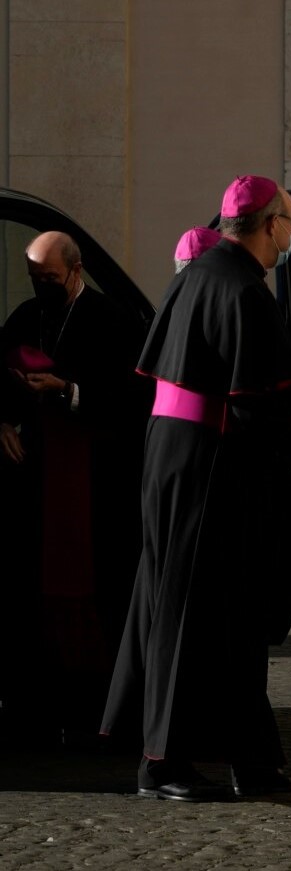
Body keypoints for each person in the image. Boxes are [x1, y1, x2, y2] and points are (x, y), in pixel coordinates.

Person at [101, 175, 291, 802]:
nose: (290, 238)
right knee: (193, 614)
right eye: (290, 225)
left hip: (179, 461)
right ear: (270, 223)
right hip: (211, 470)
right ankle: (162, 764)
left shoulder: (197, 274)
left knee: (228, 618)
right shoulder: (244, 292)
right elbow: (256, 408)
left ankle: (251, 758)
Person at [0, 231, 148, 746]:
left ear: (76, 269)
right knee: (31, 592)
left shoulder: (112, 320)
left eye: (51, 280)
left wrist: (68, 391)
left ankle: (93, 712)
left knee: (96, 593)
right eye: (36, 279)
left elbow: (133, 396)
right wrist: (1, 421)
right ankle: (34, 708)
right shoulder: (25, 315)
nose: (43, 288)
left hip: (94, 476)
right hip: (35, 478)